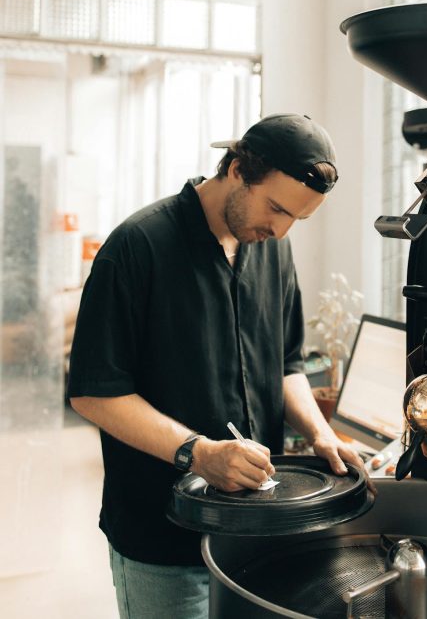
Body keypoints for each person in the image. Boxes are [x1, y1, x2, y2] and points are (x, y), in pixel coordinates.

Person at [68, 113, 366, 619]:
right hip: (162, 539)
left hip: (256, 533)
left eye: (297, 219)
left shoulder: (273, 250)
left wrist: (320, 433)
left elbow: (287, 365)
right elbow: (96, 391)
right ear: (235, 169)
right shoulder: (136, 247)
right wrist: (196, 453)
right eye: (275, 208)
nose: (280, 229)